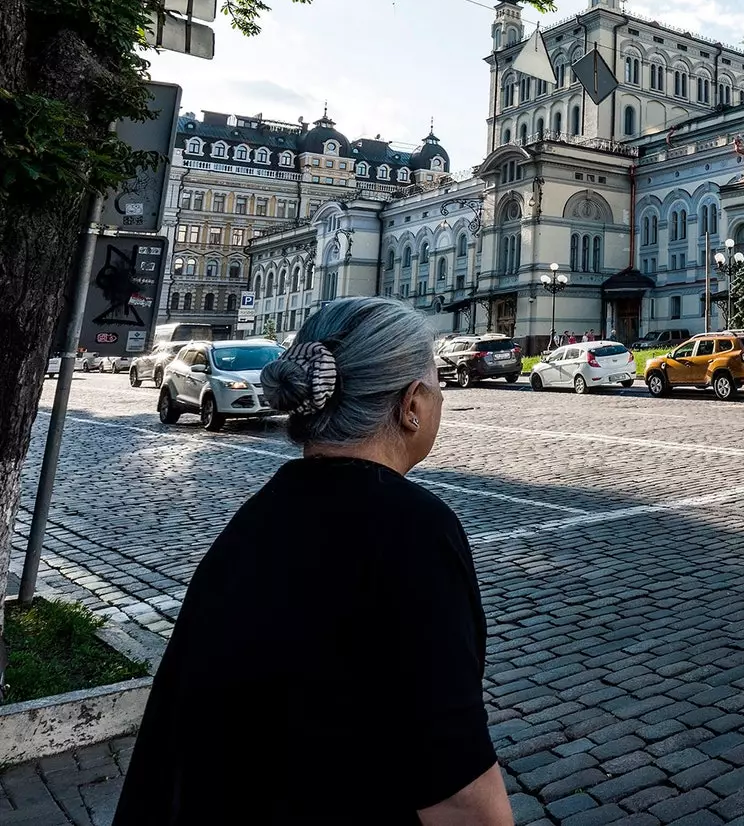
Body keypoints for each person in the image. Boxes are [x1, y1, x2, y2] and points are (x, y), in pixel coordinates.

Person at [115, 298, 511, 825]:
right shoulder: (412, 529)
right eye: (436, 385)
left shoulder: (258, 516)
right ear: (412, 404)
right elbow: (459, 792)